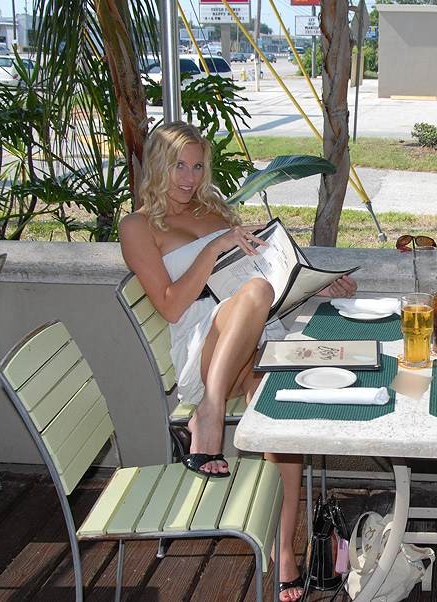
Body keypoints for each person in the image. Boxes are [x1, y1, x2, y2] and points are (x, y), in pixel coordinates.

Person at [119, 122, 356, 602]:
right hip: (203, 346)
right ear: (158, 167)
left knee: (279, 415)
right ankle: (209, 410)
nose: (188, 177)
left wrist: (313, 283)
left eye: (197, 166)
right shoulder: (138, 226)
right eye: (178, 165)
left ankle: (286, 552)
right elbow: (169, 305)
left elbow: (265, 273)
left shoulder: (215, 211)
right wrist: (211, 249)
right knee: (254, 293)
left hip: (254, 334)